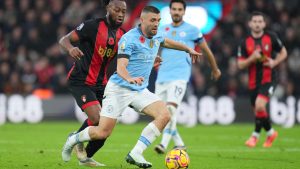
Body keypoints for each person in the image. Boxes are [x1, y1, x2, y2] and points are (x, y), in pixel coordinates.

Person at [61, 6, 201, 168]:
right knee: (102, 132)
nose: (156, 24)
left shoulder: (157, 35)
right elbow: (121, 67)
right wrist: (130, 78)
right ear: (142, 20)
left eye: (158, 21)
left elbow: (166, 42)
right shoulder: (129, 38)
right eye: (153, 20)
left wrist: (187, 49)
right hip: (119, 89)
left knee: (164, 115)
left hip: (139, 90)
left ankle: (136, 153)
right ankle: (74, 139)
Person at [58, 0, 126, 166]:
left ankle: (85, 157)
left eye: (123, 11)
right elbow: (64, 40)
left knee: (106, 128)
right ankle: (74, 138)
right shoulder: (92, 26)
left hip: (102, 84)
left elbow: (127, 58)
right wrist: (71, 49)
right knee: (96, 118)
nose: (121, 14)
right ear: (108, 8)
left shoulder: (122, 35)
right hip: (80, 80)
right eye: (117, 10)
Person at [154, 0, 221, 154]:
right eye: (174, 9)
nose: (176, 12)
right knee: (160, 115)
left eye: (179, 9)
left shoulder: (193, 30)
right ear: (169, 11)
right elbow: (153, 51)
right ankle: (179, 144)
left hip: (180, 76)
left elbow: (206, 50)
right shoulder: (162, 30)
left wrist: (215, 68)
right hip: (162, 76)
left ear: (184, 12)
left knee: (170, 109)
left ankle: (163, 144)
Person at [237, 11, 287, 148]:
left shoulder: (271, 37)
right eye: (255, 21)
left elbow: (284, 52)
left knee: (260, 105)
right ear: (250, 24)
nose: (257, 24)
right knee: (257, 111)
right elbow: (240, 64)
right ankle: (268, 133)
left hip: (269, 77)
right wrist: (251, 58)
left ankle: (256, 136)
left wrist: (274, 62)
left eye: (260, 21)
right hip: (253, 81)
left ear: (264, 23)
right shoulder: (245, 42)